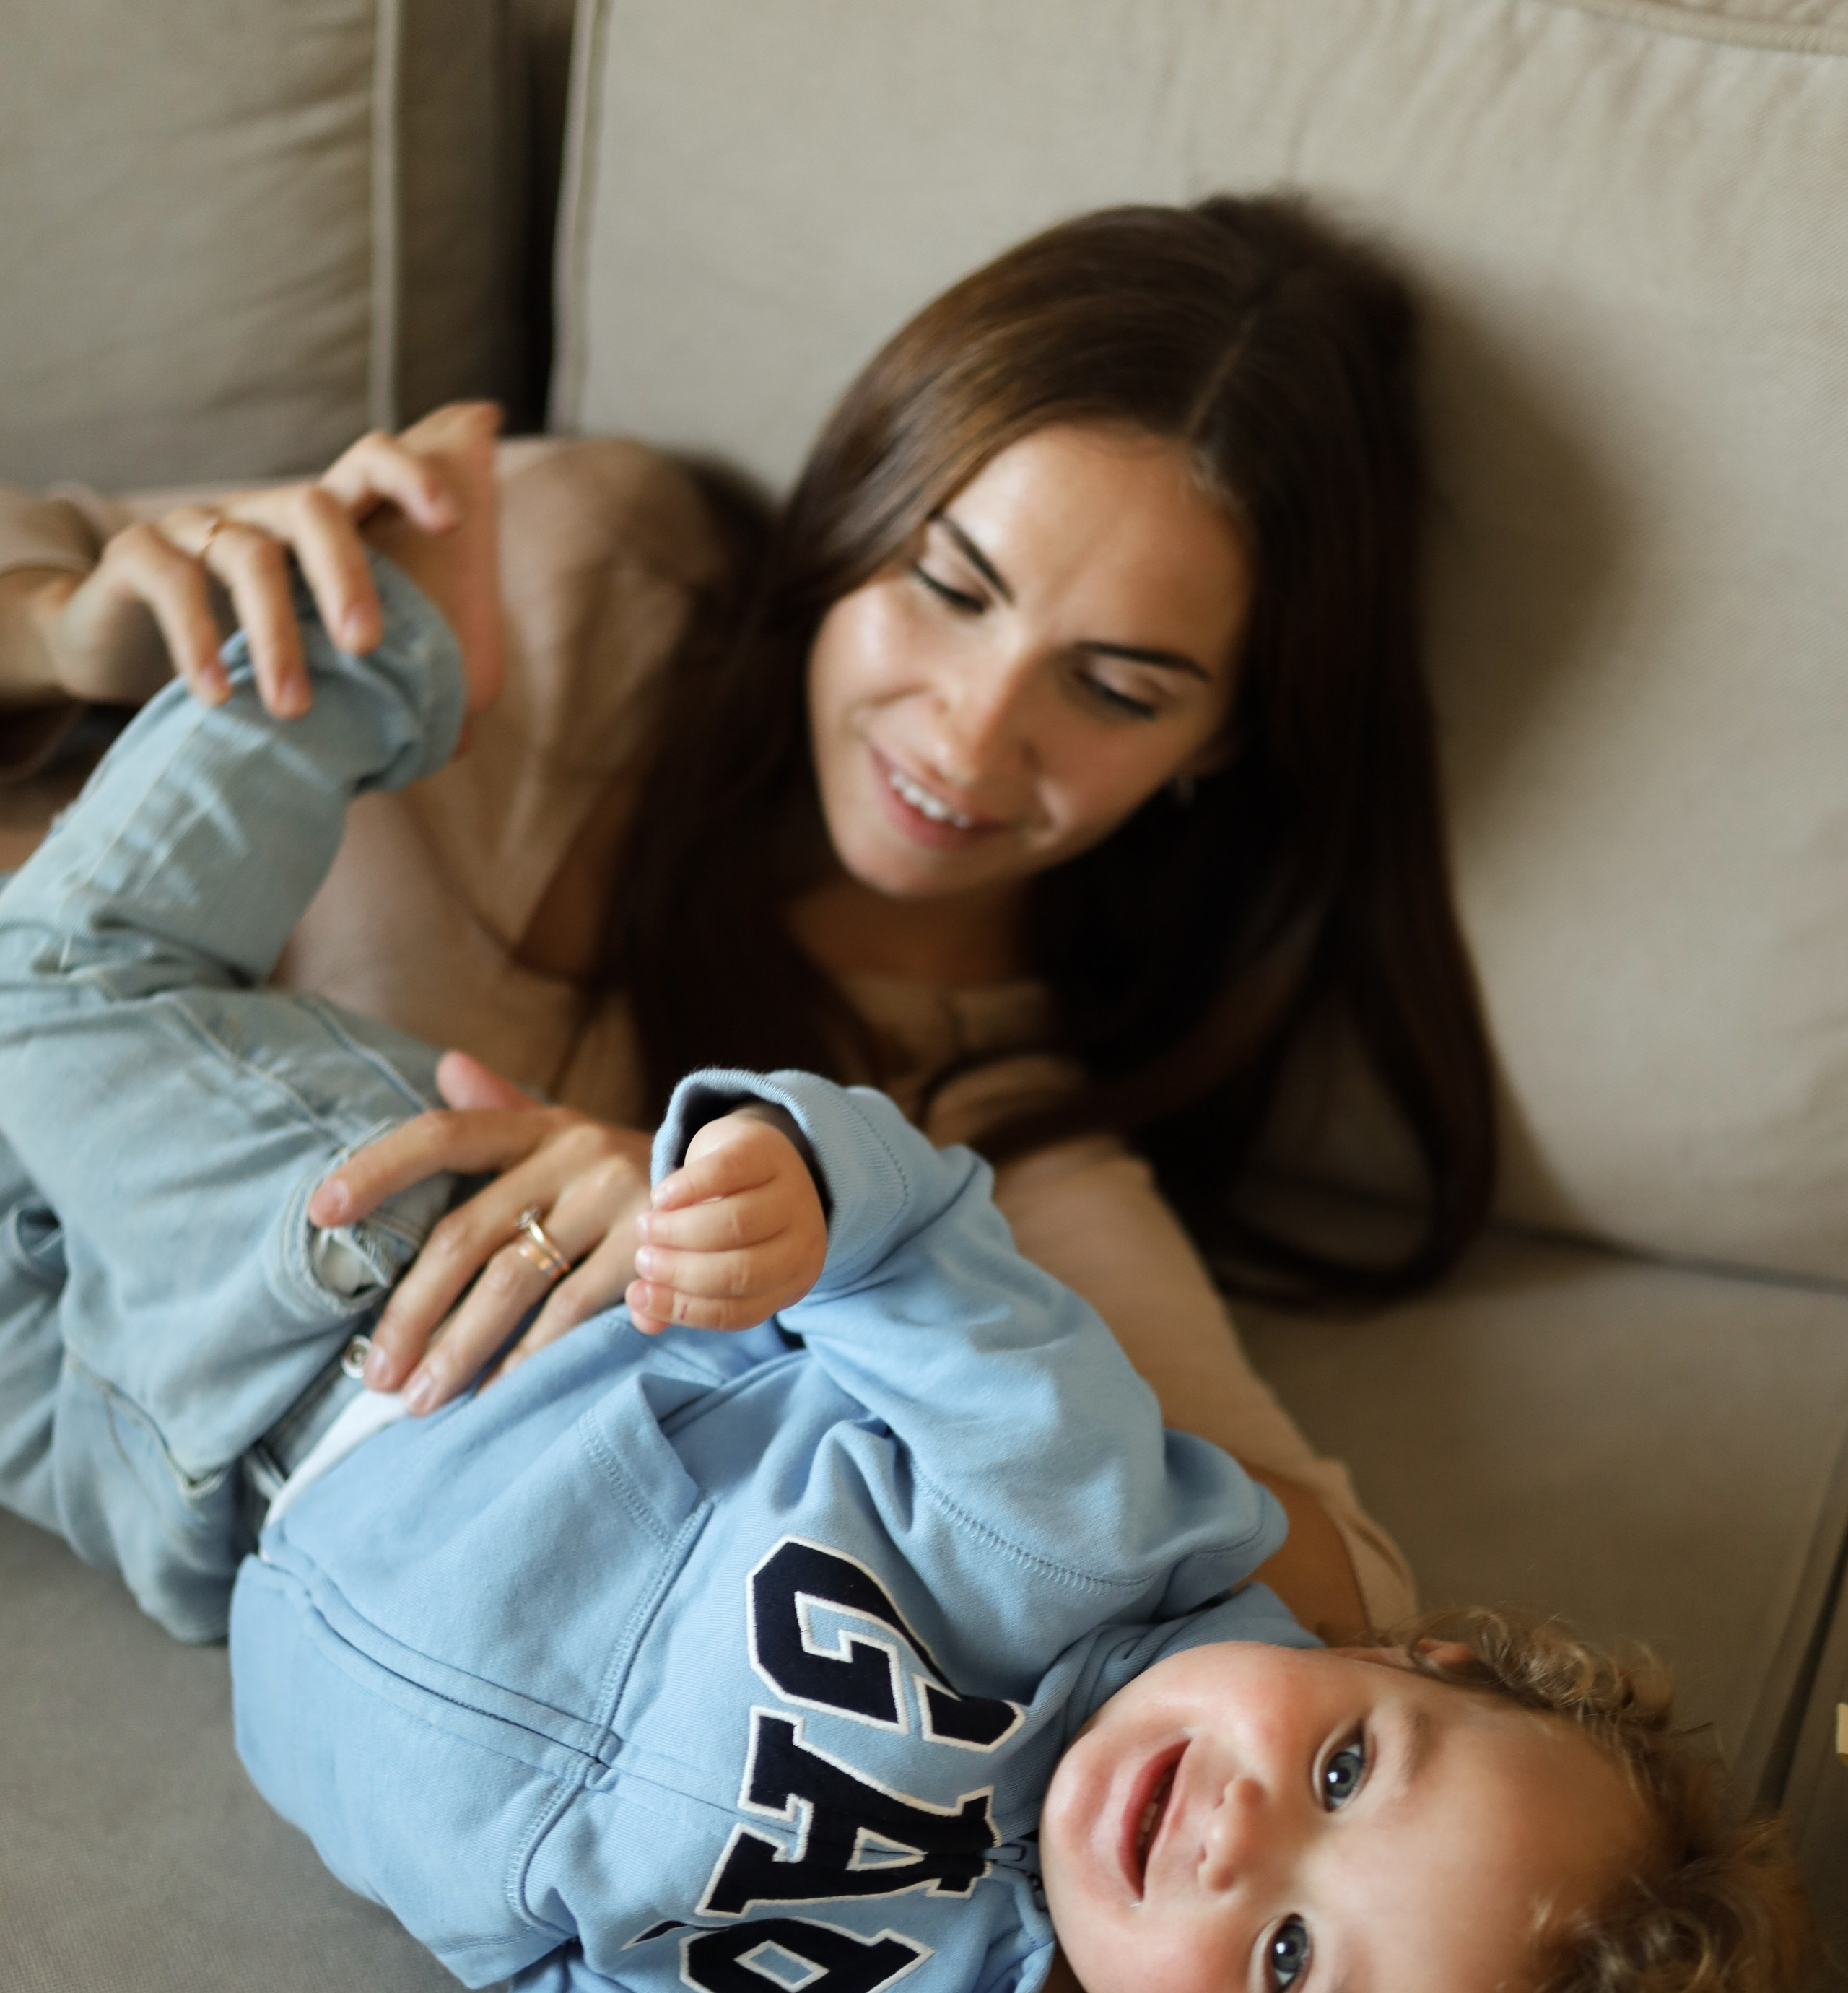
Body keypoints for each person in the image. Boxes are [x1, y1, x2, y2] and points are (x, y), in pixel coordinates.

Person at [0, 420, 1823, 1993]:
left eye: (1295, 1954)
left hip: (197, 1519)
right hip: (380, 1300)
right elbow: (936, 1264)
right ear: (1404, 1660)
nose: (1233, 1835)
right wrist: (780, 1172)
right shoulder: (1075, 1536)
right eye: (1342, 1759)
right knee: (52, 989)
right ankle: (370, 668)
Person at [0, 197, 1502, 1652]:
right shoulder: (589, 559)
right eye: (945, 586)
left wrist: (812, 1255)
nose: (969, 740)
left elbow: (1345, 1595)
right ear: (859, 502)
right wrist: (72, 639)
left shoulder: (1007, 1141)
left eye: (1114, 689)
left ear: (1220, 745)